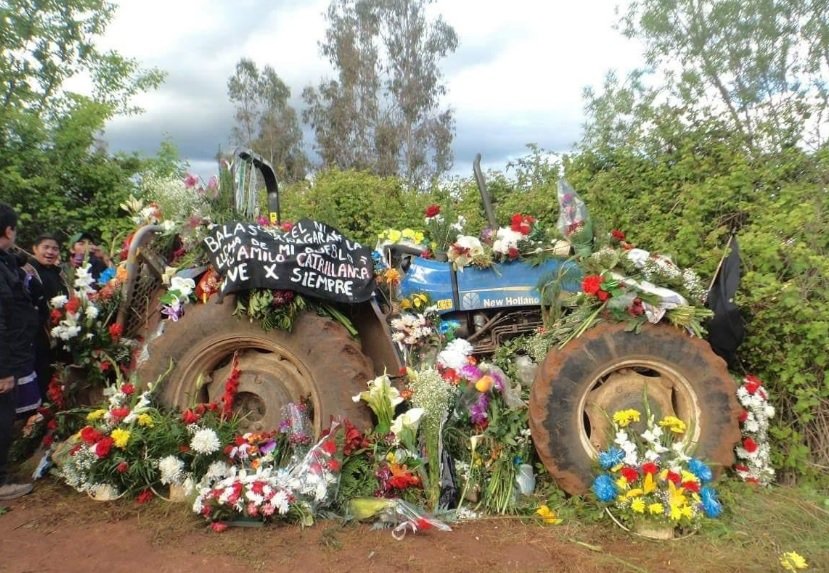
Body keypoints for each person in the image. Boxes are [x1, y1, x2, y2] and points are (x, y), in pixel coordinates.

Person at [0, 202, 38, 500]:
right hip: (4, 357)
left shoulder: (5, 261)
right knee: (2, 416)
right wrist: (4, 370)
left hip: (12, 351)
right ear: (9, 230)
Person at [30, 233, 69, 399]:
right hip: (38, 333)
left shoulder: (59, 273)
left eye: (55, 248)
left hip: (62, 331)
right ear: (35, 249)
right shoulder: (28, 272)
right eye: (46, 247)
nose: (50, 252)